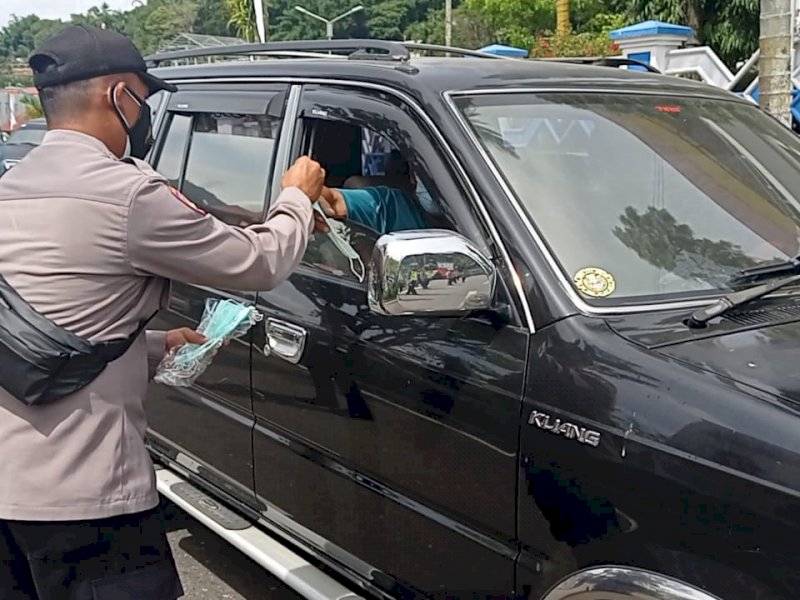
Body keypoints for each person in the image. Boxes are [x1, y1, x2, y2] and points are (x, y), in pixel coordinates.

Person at [0, 25, 325, 600]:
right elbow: (258, 261)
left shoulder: (13, 184)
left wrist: (151, 346)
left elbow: (35, 329)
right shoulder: (128, 193)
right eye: (144, 101)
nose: (147, 114)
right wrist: (296, 196)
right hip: (83, 496)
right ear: (119, 96)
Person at [316, 150, 433, 234]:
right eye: (427, 174)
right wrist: (301, 190)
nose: (434, 181)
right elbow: (333, 201)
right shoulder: (391, 206)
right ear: (412, 175)